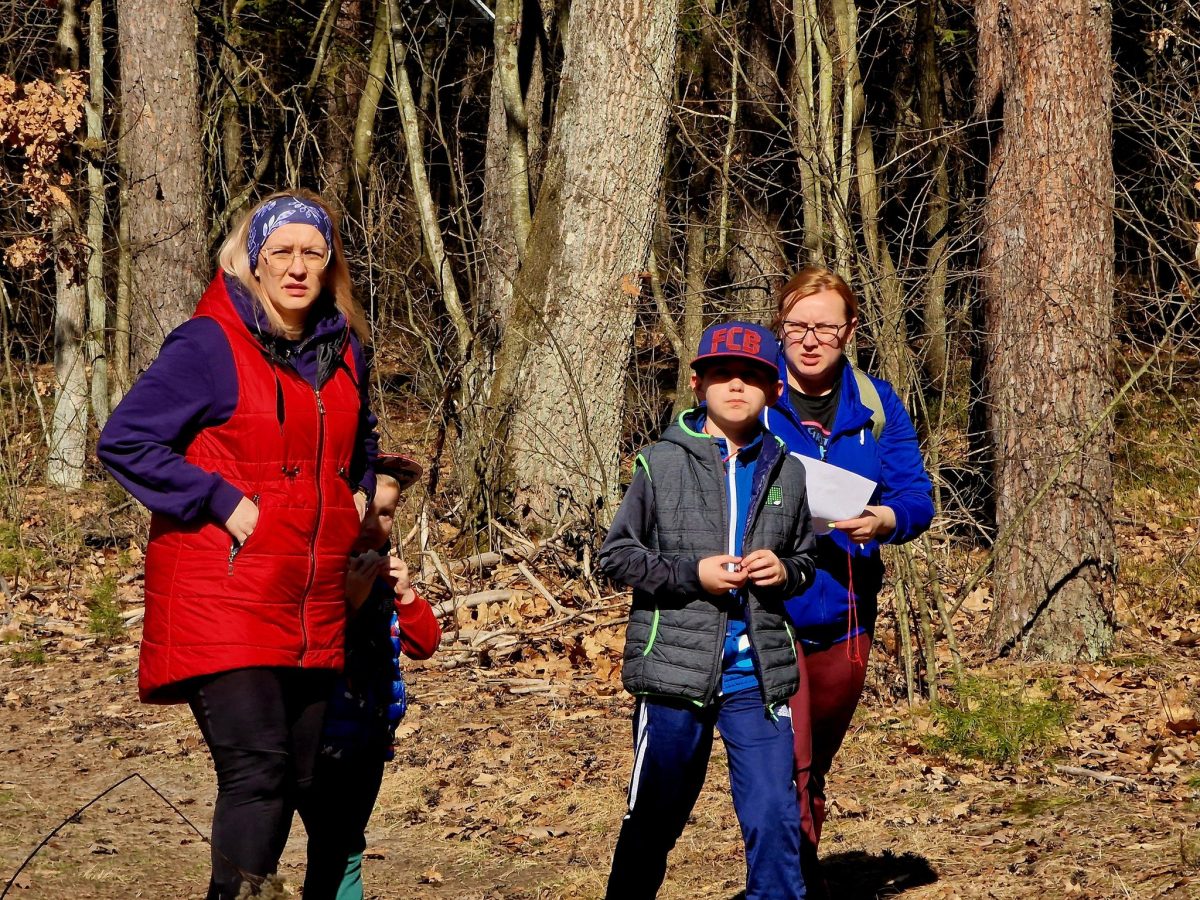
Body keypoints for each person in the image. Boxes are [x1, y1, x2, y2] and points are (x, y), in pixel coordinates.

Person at [98, 190, 379, 899]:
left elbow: (361, 443)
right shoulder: (209, 344)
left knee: (304, 770)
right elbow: (126, 440)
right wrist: (220, 500)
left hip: (312, 595)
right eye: (280, 252)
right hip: (222, 589)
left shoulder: (344, 351)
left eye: (312, 253)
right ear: (251, 261)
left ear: (329, 263)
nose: (296, 268)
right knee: (258, 768)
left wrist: (360, 489)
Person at [600, 321, 818, 900]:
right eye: (723, 374)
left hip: (757, 675)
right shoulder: (659, 463)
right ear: (698, 384)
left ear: (774, 391)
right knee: (653, 820)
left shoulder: (788, 471)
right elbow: (617, 556)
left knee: (775, 818)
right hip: (673, 672)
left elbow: (806, 559)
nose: (737, 386)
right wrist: (689, 573)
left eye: (753, 376)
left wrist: (785, 571)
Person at [763, 266, 934, 895]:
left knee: (814, 767)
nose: (810, 340)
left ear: (850, 331)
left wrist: (886, 518)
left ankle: (797, 863)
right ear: (780, 326)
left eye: (826, 328)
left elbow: (916, 496)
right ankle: (789, 882)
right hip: (768, 613)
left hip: (847, 615)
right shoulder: (753, 394)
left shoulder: (875, 403)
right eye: (798, 326)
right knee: (785, 765)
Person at [304, 455, 441, 900]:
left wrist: (406, 594)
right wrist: (351, 600)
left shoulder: (387, 571)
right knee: (332, 843)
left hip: (370, 731)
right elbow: (311, 641)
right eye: (365, 509)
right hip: (321, 732)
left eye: (386, 512)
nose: (374, 522)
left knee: (347, 844)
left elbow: (424, 645)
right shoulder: (322, 565)